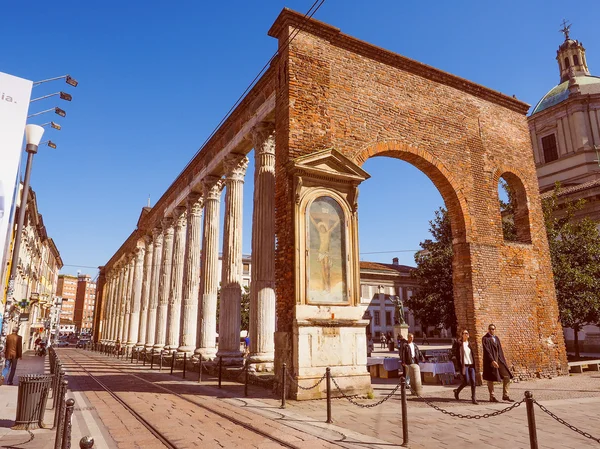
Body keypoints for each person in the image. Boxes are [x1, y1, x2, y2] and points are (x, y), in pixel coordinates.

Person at [482, 324, 513, 402]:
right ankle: (492, 396)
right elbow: (487, 351)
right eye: (490, 329)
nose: (492, 330)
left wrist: (502, 360)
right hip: (490, 361)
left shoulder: (496, 338)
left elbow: (500, 350)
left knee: (507, 376)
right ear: (488, 329)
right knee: (490, 378)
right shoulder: (485, 338)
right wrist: (492, 360)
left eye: (493, 329)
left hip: (499, 360)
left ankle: (505, 395)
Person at [453, 329, 478, 404]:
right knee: (466, 381)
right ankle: (457, 391)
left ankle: (473, 398)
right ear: (462, 335)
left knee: (473, 382)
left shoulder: (469, 344)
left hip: (471, 365)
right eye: (465, 333)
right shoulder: (459, 344)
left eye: (467, 333)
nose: (466, 334)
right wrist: (458, 364)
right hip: (464, 365)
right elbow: (456, 354)